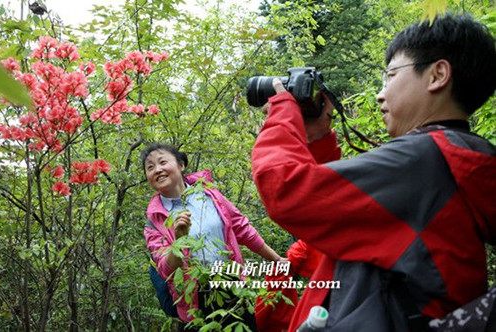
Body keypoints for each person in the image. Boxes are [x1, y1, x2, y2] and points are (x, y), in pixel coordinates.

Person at [251, 13, 496, 331]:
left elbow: (284, 189)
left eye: (391, 75)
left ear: (437, 75)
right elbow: (340, 218)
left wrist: (283, 108)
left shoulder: (423, 159)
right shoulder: (454, 160)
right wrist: (317, 139)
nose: (381, 93)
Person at [142, 143, 282, 329]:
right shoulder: (154, 221)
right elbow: (165, 269)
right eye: (150, 167)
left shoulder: (208, 194)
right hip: (196, 299)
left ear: (181, 165)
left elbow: (241, 228)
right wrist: (179, 241)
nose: (157, 170)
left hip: (232, 283)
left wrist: (277, 260)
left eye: (162, 162)